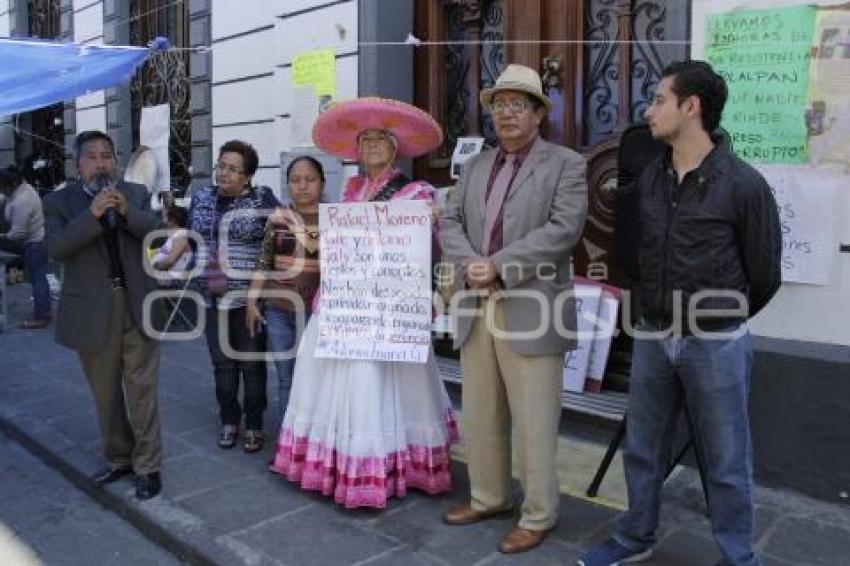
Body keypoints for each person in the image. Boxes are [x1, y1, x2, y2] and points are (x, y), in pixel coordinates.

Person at [577, 61, 781, 566]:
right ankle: (634, 537)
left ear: (691, 108)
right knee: (643, 448)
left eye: (659, 100)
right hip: (651, 334)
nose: (649, 111)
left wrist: (717, 321)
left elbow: (764, 274)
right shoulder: (650, 178)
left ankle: (737, 556)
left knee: (726, 459)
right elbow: (639, 253)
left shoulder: (743, 185)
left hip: (715, 342)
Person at [270, 97, 459, 508]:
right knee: (344, 377)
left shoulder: (417, 192)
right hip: (348, 303)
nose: (371, 146)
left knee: (377, 380)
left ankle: (389, 466)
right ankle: (340, 463)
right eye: (365, 140)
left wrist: (427, 222)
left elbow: (424, 248)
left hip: (389, 307)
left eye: (381, 139)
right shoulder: (352, 189)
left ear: (396, 148)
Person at [439, 63, 588, 554]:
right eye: (499, 105)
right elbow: (450, 220)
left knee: (534, 419)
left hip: (532, 305)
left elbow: (563, 231)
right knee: (481, 411)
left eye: (517, 105)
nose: (506, 114)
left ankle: (538, 513)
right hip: (476, 304)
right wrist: (472, 266)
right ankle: (489, 496)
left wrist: (497, 265)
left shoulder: (566, 164)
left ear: (538, 114)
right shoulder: (477, 164)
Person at [43, 130, 163, 500]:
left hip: (136, 302)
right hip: (92, 310)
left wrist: (127, 214)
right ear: (78, 164)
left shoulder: (134, 193)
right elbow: (55, 249)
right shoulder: (59, 202)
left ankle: (148, 466)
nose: (101, 163)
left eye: (107, 156)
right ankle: (119, 457)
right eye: (92, 157)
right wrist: (91, 215)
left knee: (142, 391)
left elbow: (156, 234)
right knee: (105, 393)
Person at [188, 140, 279, 452]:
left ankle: (254, 424)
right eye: (221, 165)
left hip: (248, 301)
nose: (223, 173)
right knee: (222, 364)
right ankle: (230, 419)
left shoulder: (261, 198)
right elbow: (191, 239)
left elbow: (278, 239)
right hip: (212, 298)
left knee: (251, 364)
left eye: (233, 168)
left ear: (248, 175)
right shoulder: (201, 197)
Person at [246, 156, 323, 430]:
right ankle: (287, 442)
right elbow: (263, 261)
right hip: (278, 310)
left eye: (310, 179)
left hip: (313, 313)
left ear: (322, 183)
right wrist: (252, 301)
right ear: (288, 185)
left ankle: (311, 439)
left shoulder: (334, 219)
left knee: (311, 377)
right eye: (295, 180)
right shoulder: (278, 217)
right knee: (286, 377)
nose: (302, 186)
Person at [0, 164, 51, 329]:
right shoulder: (21, 188)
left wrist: (1, 236)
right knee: (39, 278)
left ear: (10, 185)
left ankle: (41, 317)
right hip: (35, 239)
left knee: (38, 279)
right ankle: (45, 311)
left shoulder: (22, 201)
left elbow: (17, 233)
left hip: (34, 242)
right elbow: (5, 198)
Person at [152, 205, 193, 279]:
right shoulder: (173, 237)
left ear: (173, 220)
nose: (162, 220)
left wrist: (154, 267)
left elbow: (170, 261)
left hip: (174, 283)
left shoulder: (180, 237)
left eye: (165, 217)